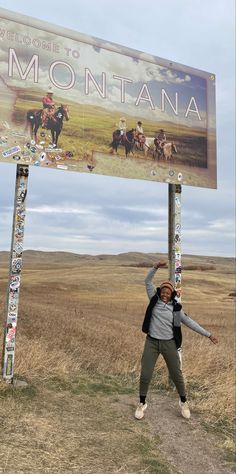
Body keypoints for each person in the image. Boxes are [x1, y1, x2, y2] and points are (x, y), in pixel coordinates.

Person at [135, 261, 218, 421]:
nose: (165, 294)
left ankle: (183, 402)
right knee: (145, 375)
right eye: (163, 291)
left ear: (172, 294)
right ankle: (142, 403)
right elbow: (147, 282)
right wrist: (155, 267)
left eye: (168, 292)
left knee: (176, 375)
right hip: (151, 342)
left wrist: (208, 335)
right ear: (159, 292)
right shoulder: (154, 299)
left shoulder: (176, 309)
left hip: (169, 344)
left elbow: (191, 323)